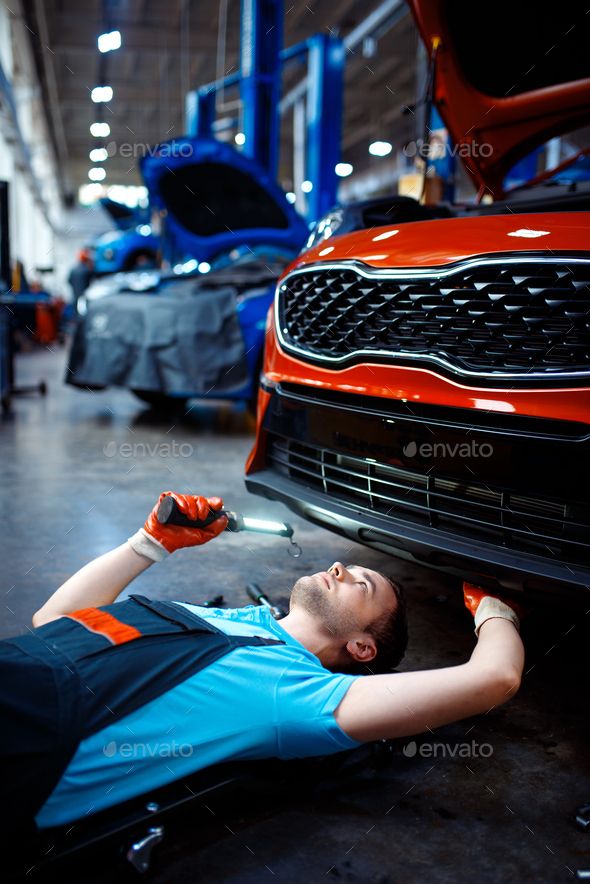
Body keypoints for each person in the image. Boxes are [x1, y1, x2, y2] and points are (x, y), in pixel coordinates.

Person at [0, 492, 524, 837]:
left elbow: (494, 678)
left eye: (360, 584)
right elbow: (55, 621)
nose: (338, 565)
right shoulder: (228, 620)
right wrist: (152, 544)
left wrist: (495, 611)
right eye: (347, 566)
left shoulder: (298, 694)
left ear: (364, 648)